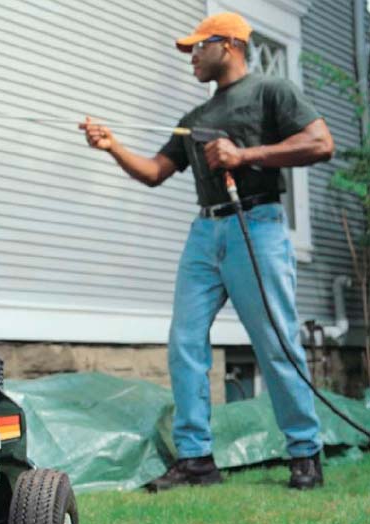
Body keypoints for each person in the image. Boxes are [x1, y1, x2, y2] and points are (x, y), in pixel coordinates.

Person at [79, 12, 334, 491]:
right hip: (205, 232)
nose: (192, 56)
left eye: (199, 46)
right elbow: (156, 170)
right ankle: (196, 460)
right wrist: (113, 146)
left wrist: (245, 156)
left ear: (231, 44)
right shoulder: (193, 120)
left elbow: (321, 143)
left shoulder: (270, 92)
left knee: (275, 341)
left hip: (255, 224)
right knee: (185, 342)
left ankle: (305, 451)